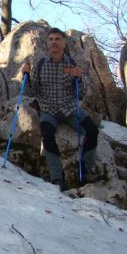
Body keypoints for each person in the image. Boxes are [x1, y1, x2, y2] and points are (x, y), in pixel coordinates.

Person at [22, 27, 99, 191]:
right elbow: (31, 91)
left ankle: (85, 169)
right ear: (47, 43)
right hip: (48, 110)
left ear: (64, 43)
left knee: (92, 130)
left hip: (70, 109)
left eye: (57, 39)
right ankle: (57, 178)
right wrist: (26, 76)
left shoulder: (72, 64)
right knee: (48, 135)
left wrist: (79, 79)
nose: (54, 42)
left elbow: (80, 94)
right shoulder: (41, 64)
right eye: (50, 39)